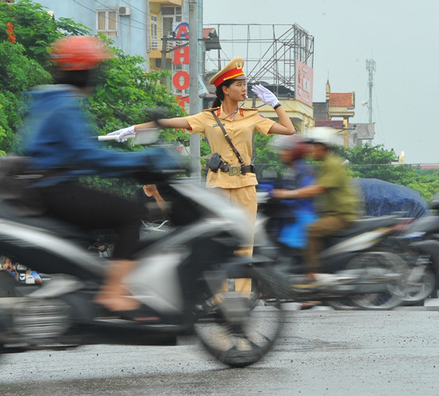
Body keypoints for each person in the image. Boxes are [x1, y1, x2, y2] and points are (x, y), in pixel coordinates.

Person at [111, 57, 295, 293]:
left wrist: (276, 104)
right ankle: (215, 301)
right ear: (225, 89)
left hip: (245, 185)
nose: (244, 88)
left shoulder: (252, 116)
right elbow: (170, 122)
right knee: (215, 242)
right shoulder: (208, 118)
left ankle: (242, 301)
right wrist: (134, 129)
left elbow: (289, 130)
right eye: (239, 84)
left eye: (244, 83)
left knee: (245, 243)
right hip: (217, 184)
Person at [22, 36, 178, 312]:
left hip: (45, 187)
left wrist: (128, 168)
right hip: (56, 189)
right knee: (129, 214)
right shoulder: (66, 105)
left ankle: (91, 283)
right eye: (95, 70)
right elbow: (89, 157)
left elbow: (83, 157)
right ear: (83, 72)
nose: (97, 77)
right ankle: (113, 292)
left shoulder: (49, 100)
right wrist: (142, 160)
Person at [271, 127, 361, 285]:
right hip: (329, 212)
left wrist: (286, 194)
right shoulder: (322, 164)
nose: (310, 149)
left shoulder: (331, 164)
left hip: (341, 215)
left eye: (313, 145)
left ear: (322, 146)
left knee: (311, 230)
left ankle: (313, 275)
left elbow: (317, 189)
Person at [267, 134, 317, 248]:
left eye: (285, 150)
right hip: (290, 215)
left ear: (295, 152)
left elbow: (303, 193)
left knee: (286, 244)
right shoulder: (290, 171)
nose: (281, 153)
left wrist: (283, 194)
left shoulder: (305, 171)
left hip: (302, 216)